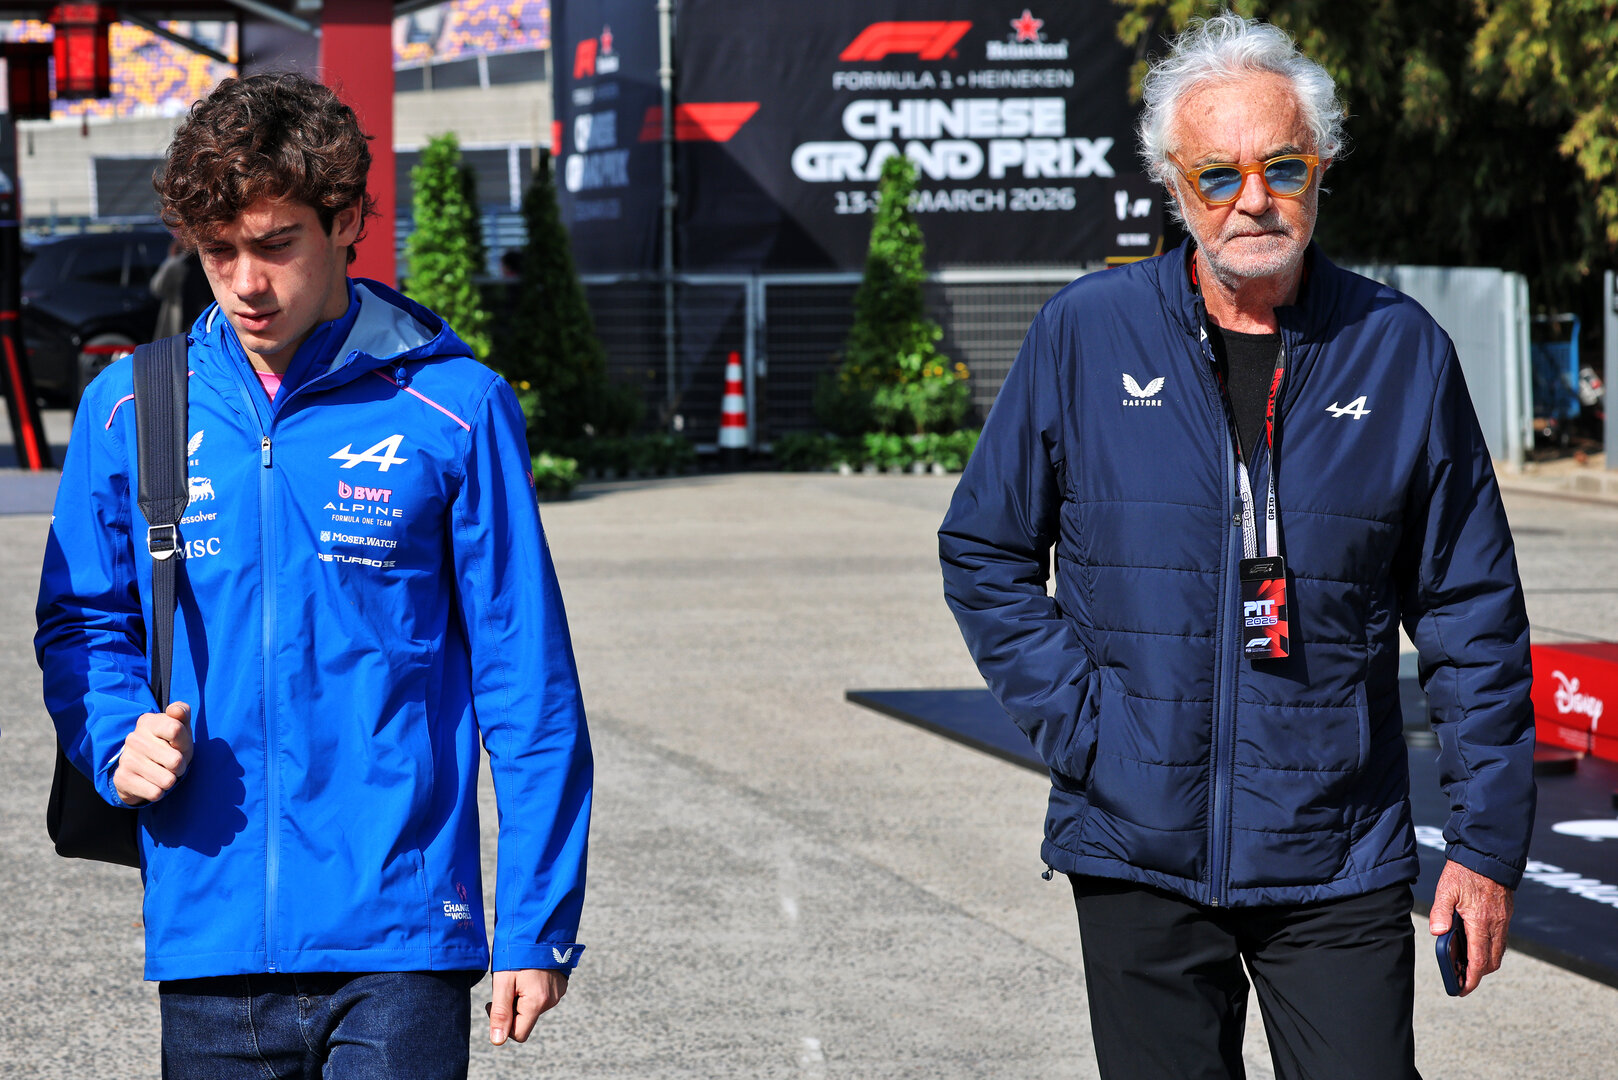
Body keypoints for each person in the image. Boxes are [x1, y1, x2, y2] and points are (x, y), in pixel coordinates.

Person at [939, 14, 1533, 1079]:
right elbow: (983, 552)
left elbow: (1468, 612)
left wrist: (1484, 846)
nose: (1251, 198)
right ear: (1174, 185)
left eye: (1281, 166)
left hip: (1336, 851)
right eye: (1217, 174)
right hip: (1134, 849)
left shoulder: (1398, 352)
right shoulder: (1083, 334)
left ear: (1322, 169)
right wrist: (1091, 731)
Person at [36, 73, 592, 1078]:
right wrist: (115, 733)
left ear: (345, 222)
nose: (247, 282)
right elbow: (84, 619)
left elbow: (526, 677)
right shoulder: (132, 408)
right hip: (207, 920)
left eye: (274, 244)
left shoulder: (454, 407)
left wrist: (535, 923)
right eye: (218, 254)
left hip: (402, 927)